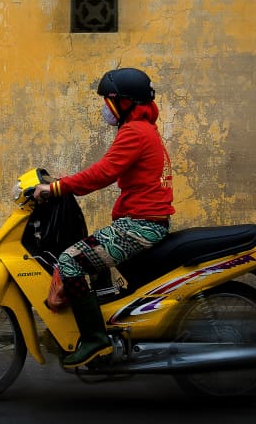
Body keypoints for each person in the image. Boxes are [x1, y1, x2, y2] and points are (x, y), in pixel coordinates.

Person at [33, 67, 174, 368]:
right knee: (92, 259)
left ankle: (95, 340)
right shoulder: (143, 128)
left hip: (139, 226)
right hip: (142, 222)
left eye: (107, 101)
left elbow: (103, 173)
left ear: (125, 102)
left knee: (70, 261)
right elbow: (105, 170)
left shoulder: (135, 132)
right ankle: (100, 324)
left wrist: (56, 187)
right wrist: (63, 183)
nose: (105, 108)